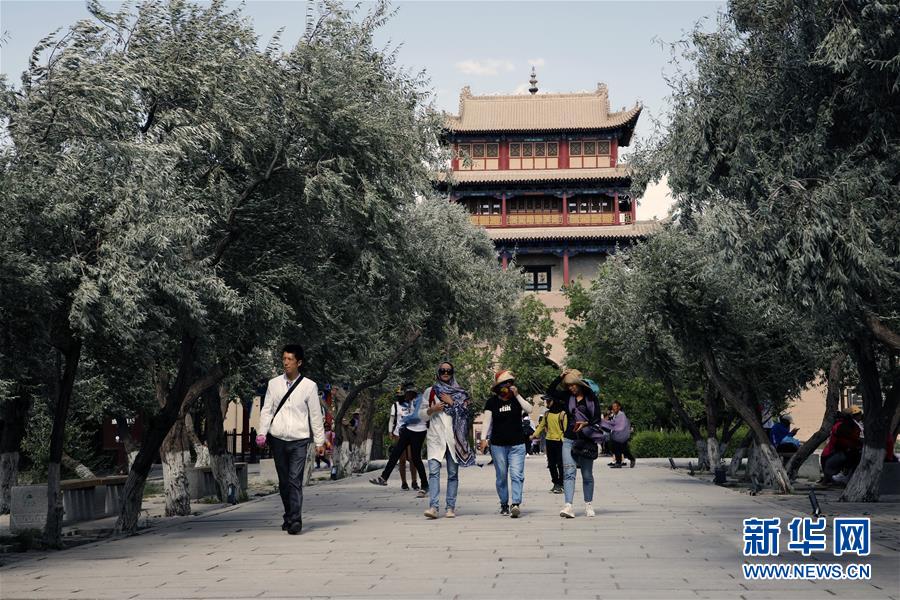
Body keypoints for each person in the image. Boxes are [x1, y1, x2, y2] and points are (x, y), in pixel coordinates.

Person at [255, 344, 326, 535]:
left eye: (290, 359)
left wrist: (320, 442)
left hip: (299, 440)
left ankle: (295, 520)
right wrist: (262, 432)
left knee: (295, 480)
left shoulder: (309, 386)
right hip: (278, 438)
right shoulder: (274, 384)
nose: (285, 363)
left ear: (299, 362)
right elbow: (267, 410)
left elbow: (315, 415)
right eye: (284, 359)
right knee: (284, 482)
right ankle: (288, 514)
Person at [419, 362, 476, 518]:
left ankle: (450, 507)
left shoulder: (461, 393)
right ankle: (433, 507)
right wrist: (432, 409)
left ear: (452, 373)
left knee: (452, 474)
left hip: (454, 439)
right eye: (442, 371)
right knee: (434, 473)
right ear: (438, 372)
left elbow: (467, 414)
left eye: (448, 371)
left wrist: (452, 403)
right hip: (435, 438)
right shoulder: (430, 392)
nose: (445, 373)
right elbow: (421, 414)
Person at [546, 368, 603, 518]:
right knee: (569, 473)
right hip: (569, 439)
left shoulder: (591, 398)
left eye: (573, 385)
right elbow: (550, 391)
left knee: (587, 475)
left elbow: (597, 418)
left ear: (580, 384)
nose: (571, 387)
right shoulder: (567, 397)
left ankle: (588, 504)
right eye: (568, 385)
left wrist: (586, 423)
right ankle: (568, 506)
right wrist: (560, 377)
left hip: (586, 440)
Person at [479, 370, 533, 517]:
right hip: (498, 445)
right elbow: (487, 422)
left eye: (510, 383)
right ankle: (504, 503)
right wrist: (483, 439)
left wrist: (517, 395)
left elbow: (529, 409)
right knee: (501, 476)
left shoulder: (516, 399)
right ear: (498, 387)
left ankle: (515, 503)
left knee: (516, 475)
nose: (508, 386)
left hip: (517, 443)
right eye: (504, 384)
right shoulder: (492, 402)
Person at [369, 382, 428, 492]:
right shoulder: (410, 400)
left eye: (405, 394)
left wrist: (405, 421)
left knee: (415, 459)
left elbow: (416, 417)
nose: (404, 397)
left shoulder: (421, 400)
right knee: (396, 453)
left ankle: (424, 484)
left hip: (419, 431)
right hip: (408, 429)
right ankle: (384, 478)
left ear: (411, 392)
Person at [820, 406, 864, 485]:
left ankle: (833, 478)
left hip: (834, 451)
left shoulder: (845, 424)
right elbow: (846, 439)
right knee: (854, 457)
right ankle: (844, 475)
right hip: (835, 451)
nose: (860, 416)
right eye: (858, 414)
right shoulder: (845, 425)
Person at [532, 395, 567, 494]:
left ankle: (561, 484)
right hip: (549, 440)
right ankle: (555, 483)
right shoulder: (547, 414)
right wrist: (534, 435)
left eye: (548, 401)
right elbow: (541, 426)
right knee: (551, 464)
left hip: (560, 441)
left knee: (560, 464)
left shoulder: (562, 414)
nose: (547, 403)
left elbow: (565, 429)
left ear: (554, 401)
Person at [603, 401, 636, 469]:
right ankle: (618, 462)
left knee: (624, 450)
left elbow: (615, 424)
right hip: (617, 435)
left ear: (619, 407)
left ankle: (631, 459)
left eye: (615, 406)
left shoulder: (621, 415)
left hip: (622, 435)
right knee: (616, 448)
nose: (613, 408)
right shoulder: (616, 415)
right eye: (613, 407)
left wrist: (605, 421)